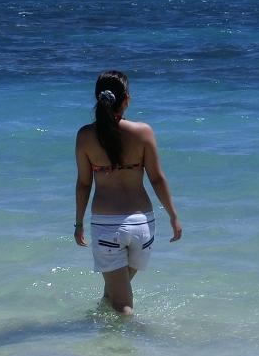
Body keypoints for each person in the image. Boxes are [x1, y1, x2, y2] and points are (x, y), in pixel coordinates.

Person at [74, 70, 181, 315]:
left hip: (107, 227)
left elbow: (83, 184)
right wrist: (173, 216)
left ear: (98, 98)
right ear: (126, 100)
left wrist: (78, 224)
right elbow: (157, 178)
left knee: (122, 306)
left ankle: (127, 339)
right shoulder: (143, 132)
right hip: (142, 225)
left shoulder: (85, 136)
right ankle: (101, 327)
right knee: (113, 294)